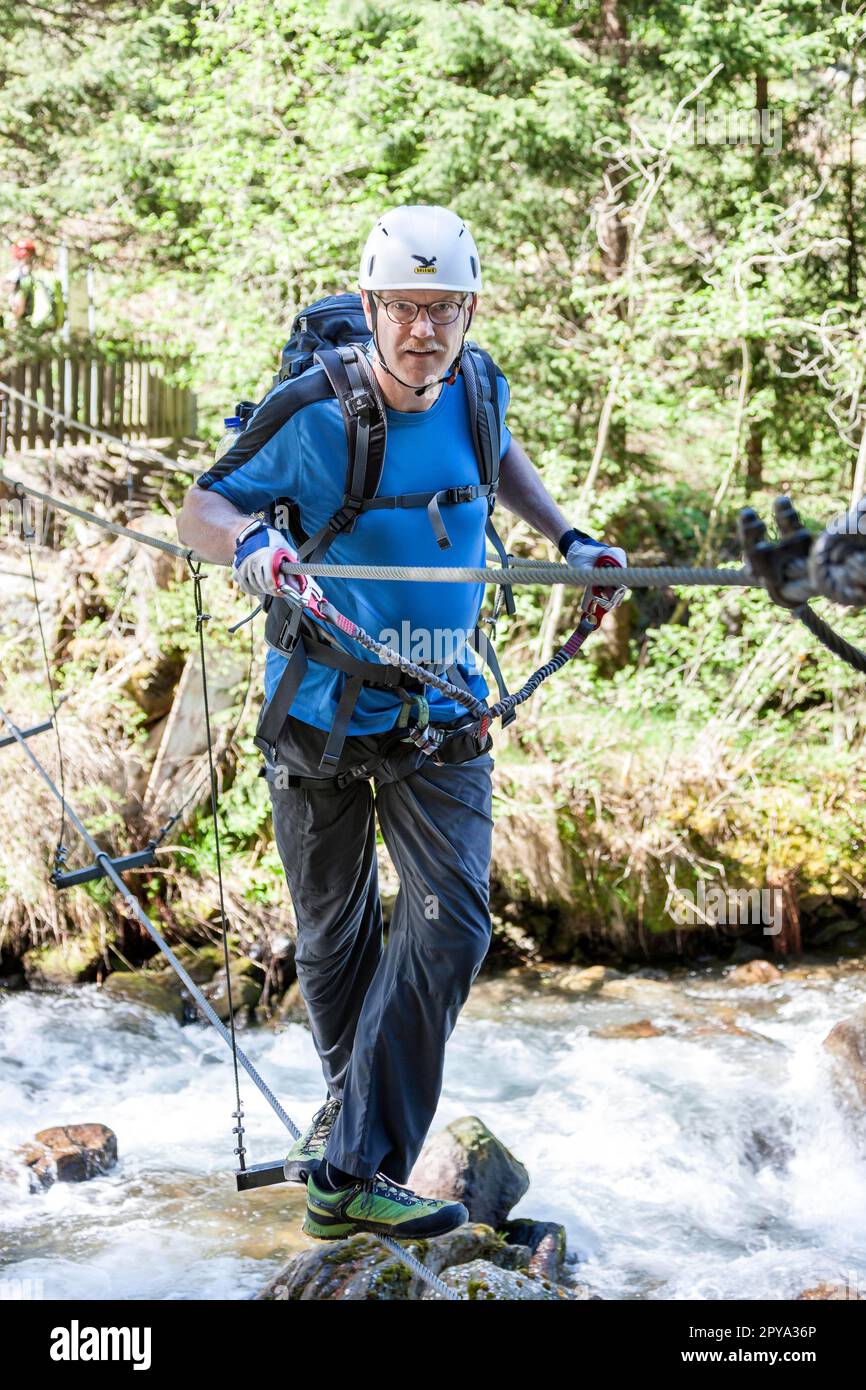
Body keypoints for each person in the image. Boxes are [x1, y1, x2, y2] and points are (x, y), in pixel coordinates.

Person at [178, 204, 627, 1242]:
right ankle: (354, 1132)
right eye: (403, 308)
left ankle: (353, 1168)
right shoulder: (314, 411)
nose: (422, 328)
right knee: (336, 942)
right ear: (371, 306)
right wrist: (250, 541)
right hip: (322, 712)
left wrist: (569, 537)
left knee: (452, 923)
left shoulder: (476, 384)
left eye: (442, 308)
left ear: (466, 310)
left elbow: (497, 457)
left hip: (443, 707)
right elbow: (199, 505)